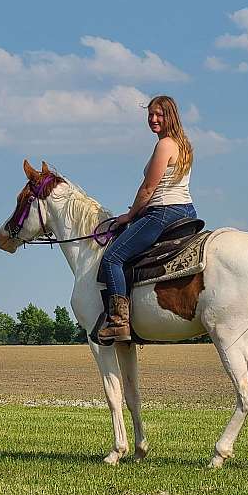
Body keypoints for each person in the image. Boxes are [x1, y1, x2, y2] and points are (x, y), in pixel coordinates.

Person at [98, 95, 197, 344]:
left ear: (170, 116)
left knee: (112, 258)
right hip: (186, 211)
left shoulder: (164, 145)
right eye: (150, 114)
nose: (153, 119)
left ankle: (119, 322)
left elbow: (148, 188)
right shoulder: (184, 144)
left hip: (162, 213)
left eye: (159, 114)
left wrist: (130, 215)